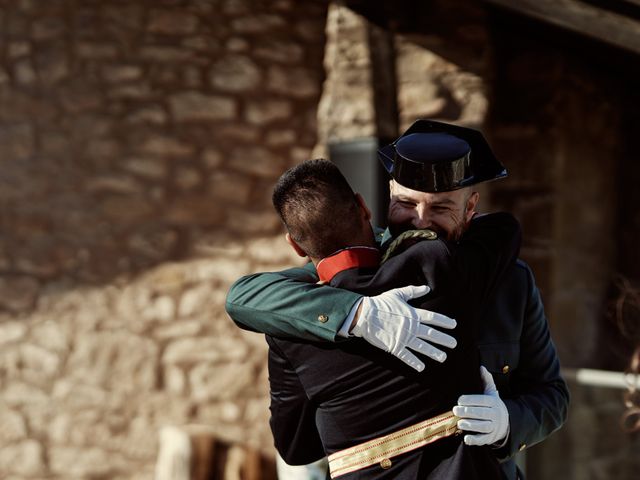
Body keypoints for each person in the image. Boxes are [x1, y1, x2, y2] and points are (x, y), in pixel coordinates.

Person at [226, 120, 570, 479]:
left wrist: (507, 424)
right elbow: (245, 296)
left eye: (440, 208)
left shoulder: (511, 281)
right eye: (406, 203)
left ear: (471, 209)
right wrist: (357, 312)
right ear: (387, 194)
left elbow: (552, 395)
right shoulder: (348, 262)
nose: (420, 220)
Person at [266, 158, 520, 478]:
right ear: (364, 207)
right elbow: (504, 229)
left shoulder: (287, 332)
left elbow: (296, 448)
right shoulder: (433, 265)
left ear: (295, 246)